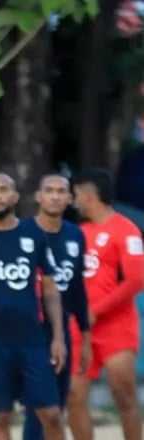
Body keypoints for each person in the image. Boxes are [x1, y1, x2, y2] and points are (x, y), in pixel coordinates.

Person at [0, 172, 67, 440]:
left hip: (32, 341)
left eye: (3, 189)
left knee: (51, 414)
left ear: (15, 196)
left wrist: (58, 337)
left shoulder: (34, 234)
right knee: (0, 417)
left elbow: (50, 288)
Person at [66, 167, 144, 440]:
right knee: (73, 396)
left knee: (124, 395)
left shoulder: (127, 230)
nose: (74, 202)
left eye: (76, 195)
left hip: (116, 327)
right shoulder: (77, 234)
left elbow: (136, 280)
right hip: (80, 328)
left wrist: (97, 310)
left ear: (88, 196)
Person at [23, 174, 92, 440]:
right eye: (48, 190)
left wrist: (85, 337)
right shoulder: (23, 232)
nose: (54, 196)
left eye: (61, 191)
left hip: (60, 330)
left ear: (70, 199)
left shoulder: (75, 235)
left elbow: (76, 290)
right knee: (39, 409)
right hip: (28, 330)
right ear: (38, 197)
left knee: (58, 405)